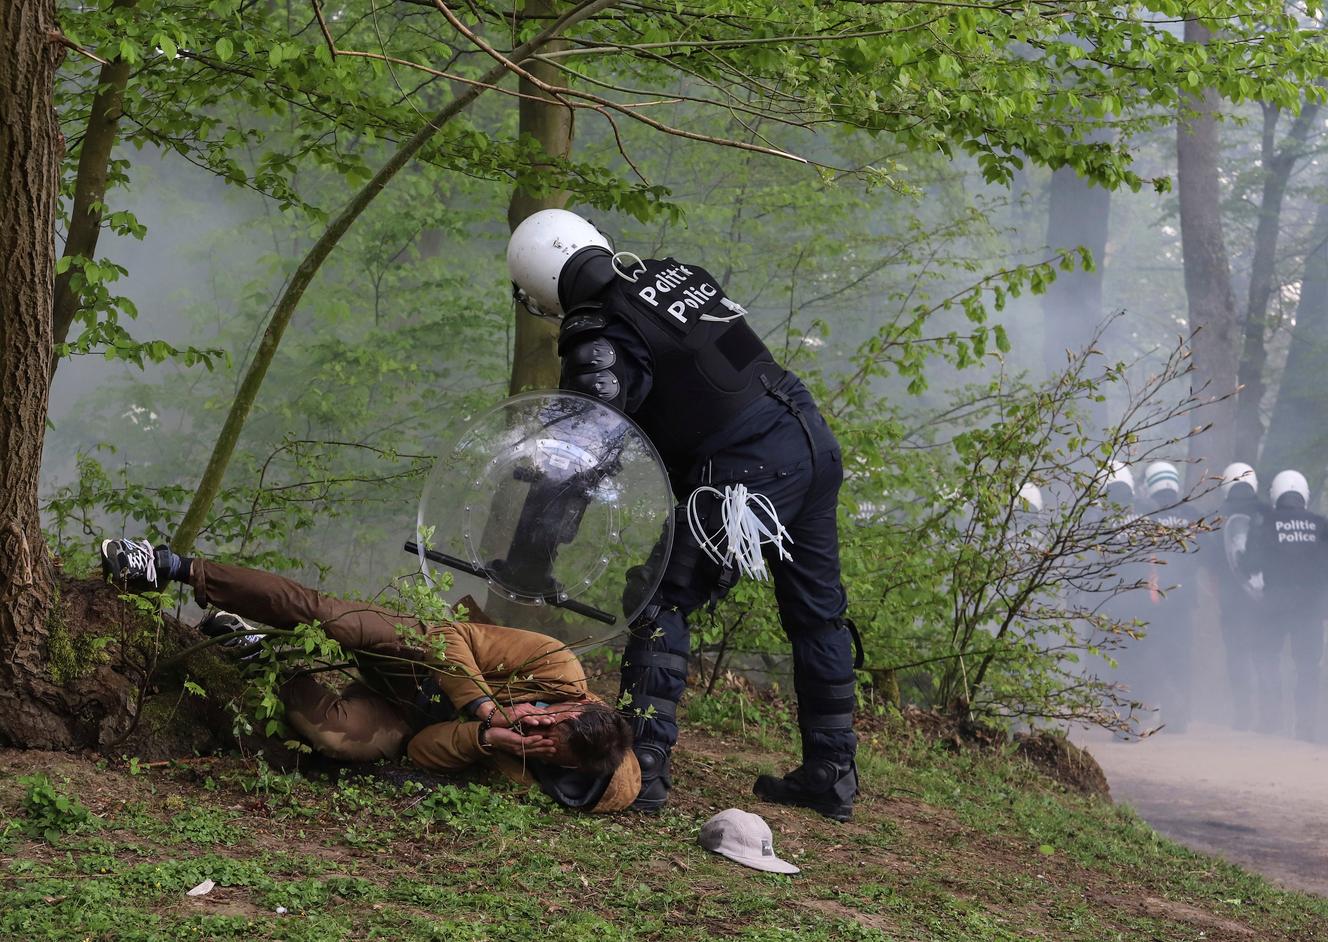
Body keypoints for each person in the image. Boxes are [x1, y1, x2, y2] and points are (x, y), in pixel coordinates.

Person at [507, 209, 858, 820]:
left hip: (749, 471)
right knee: (818, 615)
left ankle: (641, 771)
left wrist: (529, 557)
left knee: (661, 600)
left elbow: (581, 447)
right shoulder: (672, 276)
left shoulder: (599, 332)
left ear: (539, 283)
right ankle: (832, 773)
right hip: (809, 440)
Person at [100, 537, 640, 812]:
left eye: (550, 750)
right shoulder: (555, 666)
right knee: (330, 618)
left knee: (337, 737)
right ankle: (173, 566)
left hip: (406, 715)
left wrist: (487, 737)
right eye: (548, 728)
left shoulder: (531, 770)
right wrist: (489, 708)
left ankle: (259, 652)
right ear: (575, 707)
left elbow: (421, 751)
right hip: (417, 652)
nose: (538, 737)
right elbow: (451, 636)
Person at [1241, 470, 1328, 741]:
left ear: (1276, 495)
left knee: (1267, 659)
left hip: (1273, 606)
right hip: (1311, 607)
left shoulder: (1265, 524)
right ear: (1304, 496)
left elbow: (1249, 565)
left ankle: (1271, 720)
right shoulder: (1321, 525)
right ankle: (1306, 727)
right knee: (1308, 667)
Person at [1135, 461, 1200, 733]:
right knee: (1180, 655)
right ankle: (1178, 717)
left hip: (1150, 600)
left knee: (1149, 652)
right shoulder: (1192, 514)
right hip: (1183, 602)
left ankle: (1147, 709)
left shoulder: (1142, 515)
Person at [1203, 462, 1267, 730]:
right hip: (1267, 600)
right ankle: (1269, 718)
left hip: (1230, 601)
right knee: (1266, 655)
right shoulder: (1269, 513)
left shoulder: (1214, 517)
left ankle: (1243, 715)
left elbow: (1208, 563)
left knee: (1237, 655)